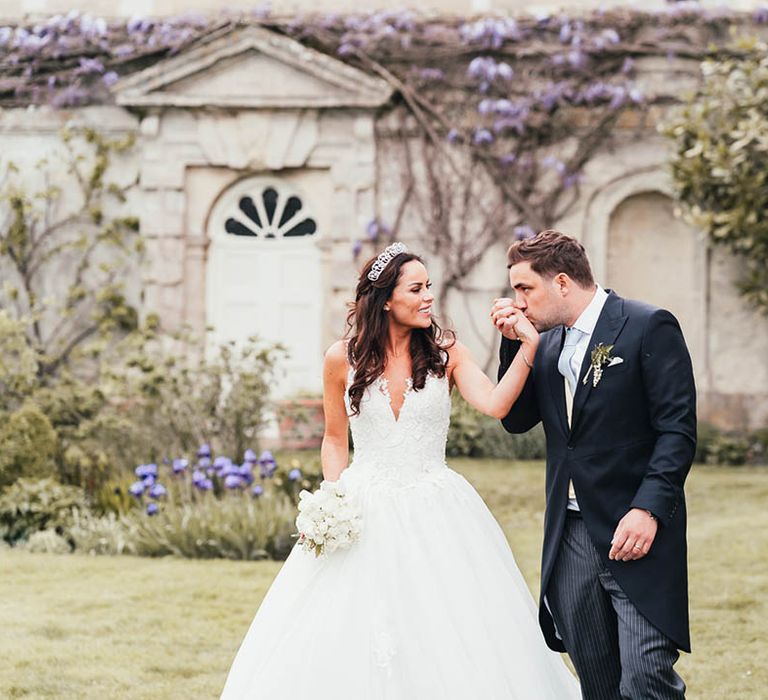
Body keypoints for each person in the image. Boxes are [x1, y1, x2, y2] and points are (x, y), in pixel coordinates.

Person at [220, 242, 579, 699]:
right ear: (386, 299)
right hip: (363, 506)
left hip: (437, 505)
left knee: (449, 621)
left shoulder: (447, 351)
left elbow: (495, 404)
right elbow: (334, 439)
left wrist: (529, 345)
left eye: (429, 286)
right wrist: (333, 495)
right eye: (417, 288)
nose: (429, 296)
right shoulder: (341, 358)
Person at [491, 230, 696, 700]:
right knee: (597, 681)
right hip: (571, 536)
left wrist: (648, 509)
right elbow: (517, 421)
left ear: (562, 282)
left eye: (526, 289)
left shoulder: (648, 326)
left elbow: (677, 431)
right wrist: (512, 344)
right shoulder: (542, 342)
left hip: (635, 526)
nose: (517, 302)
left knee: (646, 677)